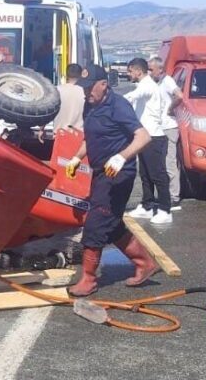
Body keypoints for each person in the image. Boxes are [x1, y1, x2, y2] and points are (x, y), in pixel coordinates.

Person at [62, 65, 158, 297]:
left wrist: (121, 157)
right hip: (100, 171)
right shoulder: (90, 105)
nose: (86, 93)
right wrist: (76, 158)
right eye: (83, 89)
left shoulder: (118, 106)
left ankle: (88, 279)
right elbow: (90, 136)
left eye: (90, 88)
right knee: (111, 222)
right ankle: (145, 263)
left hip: (118, 174)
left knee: (96, 222)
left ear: (103, 84)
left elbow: (144, 137)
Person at [122, 57, 173, 224]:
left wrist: (120, 100)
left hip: (154, 137)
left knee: (157, 174)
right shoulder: (143, 85)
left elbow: (136, 95)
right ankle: (147, 206)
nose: (128, 74)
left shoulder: (148, 86)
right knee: (144, 174)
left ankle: (165, 209)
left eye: (130, 71)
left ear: (138, 71)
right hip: (144, 137)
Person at [150, 56, 184, 211]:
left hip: (169, 127)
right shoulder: (157, 83)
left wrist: (170, 109)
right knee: (160, 162)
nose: (150, 73)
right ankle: (165, 195)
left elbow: (179, 95)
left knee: (169, 162)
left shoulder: (168, 81)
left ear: (160, 69)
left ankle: (174, 197)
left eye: (152, 70)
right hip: (159, 127)